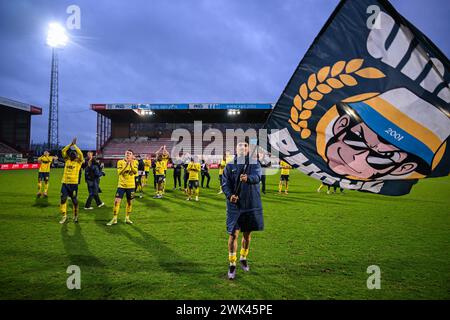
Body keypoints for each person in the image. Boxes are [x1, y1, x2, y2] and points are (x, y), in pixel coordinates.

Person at [222, 141, 263, 280]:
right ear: (236, 149)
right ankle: (232, 263)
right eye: (239, 145)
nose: (242, 147)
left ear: (248, 149)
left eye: (245, 146)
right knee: (233, 234)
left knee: (247, 235)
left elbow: (258, 177)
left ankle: (243, 258)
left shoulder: (254, 164)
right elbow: (225, 184)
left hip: (250, 204)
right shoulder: (229, 165)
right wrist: (229, 195)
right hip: (235, 206)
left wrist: (248, 178)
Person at [107, 149, 137, 226]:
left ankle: (127, 218)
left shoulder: (135, 162)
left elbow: (135, 172)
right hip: (121, 185)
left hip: (131, 186)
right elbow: (119, 173)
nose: (128, 154)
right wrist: (126, 166)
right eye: (127, 153)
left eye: (130, 153)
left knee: (130, 202)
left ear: (132, 156)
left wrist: (130, 165)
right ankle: (114, 218)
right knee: (116, 202)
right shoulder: (120, 162)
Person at [59, 138, 84, 224]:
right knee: (63, 199)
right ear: (69, 155)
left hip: (73, 184)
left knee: (74, 201)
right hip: (65, 183)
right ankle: (64, 216)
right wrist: (70, 144)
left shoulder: (79, 162)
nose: (73, 154)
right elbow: (63, 151)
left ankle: (75, 215)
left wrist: (75, 145)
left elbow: (80, 153)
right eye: (72, 153)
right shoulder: (67, 160)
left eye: (75, 154)